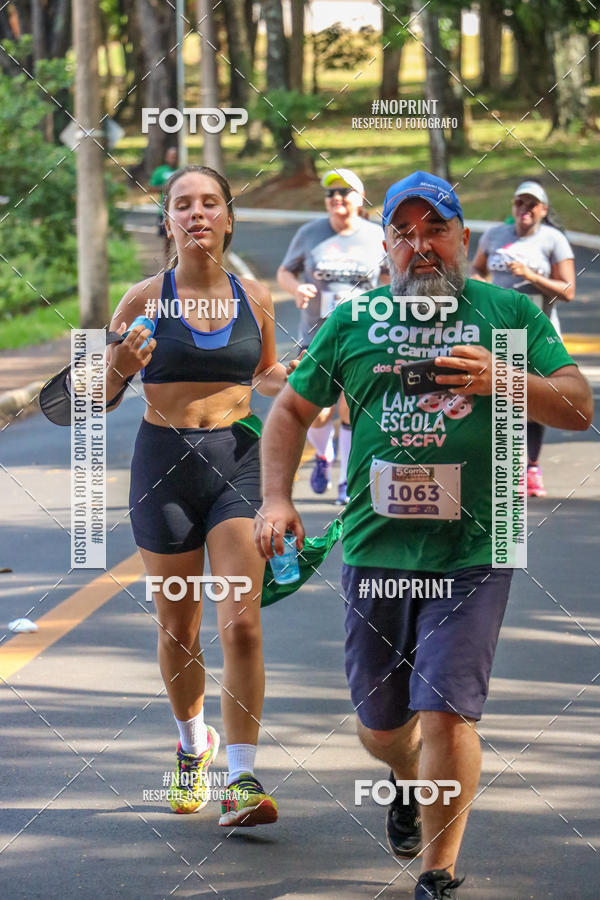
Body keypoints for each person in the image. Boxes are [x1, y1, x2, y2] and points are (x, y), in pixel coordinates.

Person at [255, 171, 593, 897]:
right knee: (382, 727)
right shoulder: (355, 323)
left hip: (478, 545)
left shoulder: (508, 315)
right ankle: (403, 779)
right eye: (403, 234)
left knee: (446, 707)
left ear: (463, 238)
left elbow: (577, 407)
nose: (421, 246)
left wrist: (505, 380)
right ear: (387, 246)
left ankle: (437, 874)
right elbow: (287, 414)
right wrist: (276, 498)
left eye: (434, 230)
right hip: (376, 548)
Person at [105, 164, 287, 826]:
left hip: (238, 462)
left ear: (229, 219)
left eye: (211, 203)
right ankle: (193, 746)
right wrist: (123, 364)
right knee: (179, 628)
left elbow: (265, 374)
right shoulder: (141, 299)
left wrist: (291, 383)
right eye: (184, 204)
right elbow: (98, 395)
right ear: (169, 222)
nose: (198, 213)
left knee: (240, 621)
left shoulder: (255, 296)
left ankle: (242, 780)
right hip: (163, 469)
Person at [277, 168, 388, 505]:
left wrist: (382, 304)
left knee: (349, 409)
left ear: (360, 199)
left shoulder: (375, 235)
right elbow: (285, 271)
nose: (336, 198)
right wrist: (298, 289)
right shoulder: (310, 233)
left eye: (344, 192)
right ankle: (323, 456)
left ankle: (347, 481)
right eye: (330, 194)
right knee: (318, 410)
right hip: (316, 335)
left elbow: (391, 276)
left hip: (362, 336)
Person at [471, 180, 576, 498]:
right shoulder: (494, 236)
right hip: (498, 331)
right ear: (513, 207)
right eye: (520, 203)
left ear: (543, 210)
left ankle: (531, 467)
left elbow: (568, 290)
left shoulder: (553, 240)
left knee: (531, 399)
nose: (525, 210)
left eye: (532, 205)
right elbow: (477, 271)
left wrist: (530, 276)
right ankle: (504, 468)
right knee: (498, 398)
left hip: (539, 334)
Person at [149, 146, 179, 267]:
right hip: (164, 211)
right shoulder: (160, 171)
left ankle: (180, 261)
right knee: (167, 238)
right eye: (171, 156)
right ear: (167, 157)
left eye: (175, 156)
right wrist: (165, 187)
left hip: (179, 211)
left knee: (181, 237)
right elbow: (151, 188)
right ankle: (167, 263)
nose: (173, 159)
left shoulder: (182, 171)